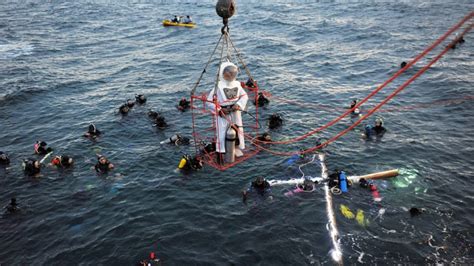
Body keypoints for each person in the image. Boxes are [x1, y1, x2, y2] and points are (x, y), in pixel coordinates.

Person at [207, 61, 248, 159]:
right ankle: (220, 152)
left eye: (232, 73)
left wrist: (238, 104)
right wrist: (219, 110)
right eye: (227, 73)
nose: (229, 75)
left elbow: (244, 96)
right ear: (222, 73)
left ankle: (236, 146)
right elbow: (209, 101)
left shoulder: (237, 85)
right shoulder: (218, 87)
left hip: (235, 111)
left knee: (237, 129)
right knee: (222, 131)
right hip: (223, 113)